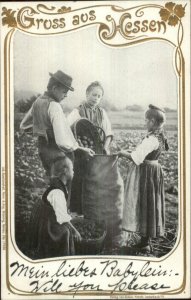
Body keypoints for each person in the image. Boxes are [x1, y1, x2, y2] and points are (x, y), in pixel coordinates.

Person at [20, 70, 94, 176]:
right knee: (64, 182)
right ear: (54, 88)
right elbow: (63, 140)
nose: (66, 96)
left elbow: (23, 126)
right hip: (57, 153)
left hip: (43, 150)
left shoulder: (38, 101)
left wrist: (42, 132)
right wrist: (79, 148)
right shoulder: (54, 106)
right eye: (64, 92)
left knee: (52, 178)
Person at [117, 105, 169, 252]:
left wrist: (122, 153)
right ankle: (145, 240)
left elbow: (137, 157)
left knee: (144, 203)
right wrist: (132, 152)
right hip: (153, 171)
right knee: (150, 203)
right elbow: (143, 153)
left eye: (146, 120)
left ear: (152, 121)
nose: (144, 123)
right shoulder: (159, 135)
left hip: (147, 173)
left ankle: (145, 243)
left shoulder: (151, 139)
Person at [27, 156, 82, 259]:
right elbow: (62, 217)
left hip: (48, 217)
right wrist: (75, 231)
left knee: (67, 226)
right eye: (72, 169)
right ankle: (59, 256)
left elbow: (58, 208)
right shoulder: (57, 192)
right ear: (65, 171)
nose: (74, 172)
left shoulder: (58, 185)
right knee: (66, 232)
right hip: (47, 224)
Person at [67, 81, 113, 154]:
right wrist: (80, 147)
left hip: (98, 149)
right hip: (82, 150)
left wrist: (105, 148)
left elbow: (108, 133)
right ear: (87, 94)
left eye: (99, 96)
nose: (96, 98)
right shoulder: (78, 111)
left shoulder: (102, 113)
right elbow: (66, 129)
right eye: (94, 95)